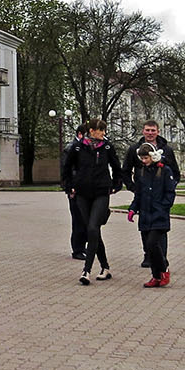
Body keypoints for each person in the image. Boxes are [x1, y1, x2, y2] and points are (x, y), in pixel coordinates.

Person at [61, 117, 121, 285]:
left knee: (93, 227)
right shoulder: (78, 147)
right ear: (92, 131)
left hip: (101, 192)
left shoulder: (107, 147)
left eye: (104, 130)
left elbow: (117, 167)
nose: (103, 133)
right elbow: (67, 168)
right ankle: (105, 267)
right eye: (100, 130)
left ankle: (86, 270)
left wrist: (116, 184)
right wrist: (69, 186)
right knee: (91, 231)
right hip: (82, 192)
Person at [128, 143, 175, 287]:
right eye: (142, 158)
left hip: (159, 215)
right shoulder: (141, 173)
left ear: (153, 156)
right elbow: (139, 194)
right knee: (149, 248)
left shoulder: (165, 171)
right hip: (145, 216)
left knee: (153, 243)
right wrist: (133, 209)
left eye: (146, 158)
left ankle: (164, 270)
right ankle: (156, 276)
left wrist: (163, 207)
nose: (144, 161)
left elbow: (170, 193)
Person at [122, 120, 178, 190]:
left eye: (153, 130)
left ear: (158, 132)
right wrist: (132, 187)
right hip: (142, 190)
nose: (150, 133)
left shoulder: (167, 150)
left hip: (162, 191)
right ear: (143, 131)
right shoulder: (134, 149)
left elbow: (174, 170)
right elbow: (126, 170)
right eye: (147, 130)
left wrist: (171, 186)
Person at [62, 126, 88, 259]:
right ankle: (77, 249)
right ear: (80, 134)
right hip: (75, 189)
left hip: (86, 188)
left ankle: (84, 246)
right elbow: (67, 169)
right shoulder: (71, 147)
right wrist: (71, 186)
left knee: (86, 219)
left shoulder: (88, 147)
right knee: (78, 219)